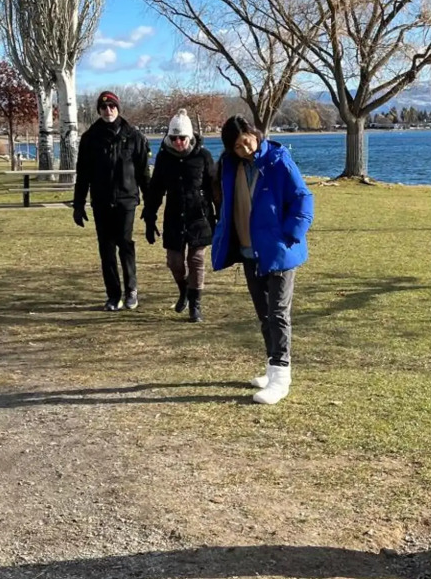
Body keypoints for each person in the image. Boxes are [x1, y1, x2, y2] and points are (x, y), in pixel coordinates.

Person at [210, 115, 314, 404]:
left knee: (278, 313)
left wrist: (290, 235)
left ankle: (282, 377)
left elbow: (303, 198)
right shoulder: (231, 167)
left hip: (279, 251)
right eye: (237, 147)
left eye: (247, 142)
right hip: (249, 251)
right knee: (264, 315)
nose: (245, 149)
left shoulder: (279, 161)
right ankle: (272, 367)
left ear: (254, 134)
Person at [72, 91, 150, 311]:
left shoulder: (134, 136)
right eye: (104, 107)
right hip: (101, 201)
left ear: (118, 108)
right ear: (99, 110)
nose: (108, 111)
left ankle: (131, 291)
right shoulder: (90, 138)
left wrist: (150, 206)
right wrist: (78, 205)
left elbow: (144, 173)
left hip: (126, 200)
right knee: (106, 248)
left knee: (125, 244)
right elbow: (83, 174)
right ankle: (113, 295)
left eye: (112, 107)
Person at [142, 109, 220, 323]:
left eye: (182, 138)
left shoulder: (203, 156)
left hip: (199, 215)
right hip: (174, 215)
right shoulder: (164, 158)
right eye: (174, 138)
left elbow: (214, 187)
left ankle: (195, 304)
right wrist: (149, 216)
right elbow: (156, 188)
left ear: (190, 137)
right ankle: (184, 289)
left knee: (196, 259)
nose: (178, 142)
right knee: (174, 261)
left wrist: (220, 214)